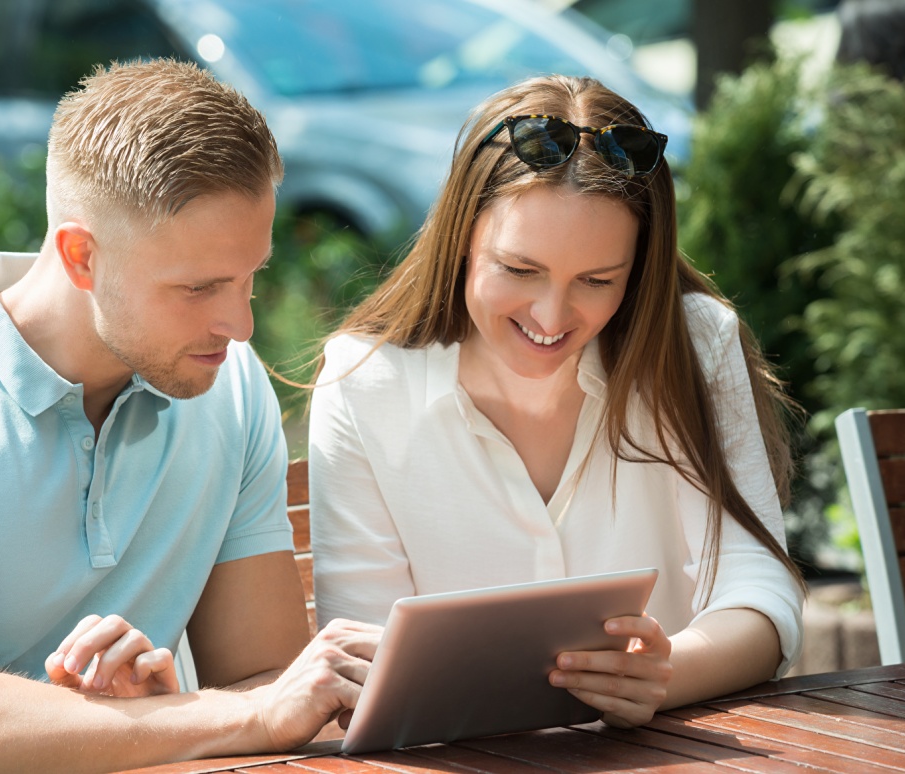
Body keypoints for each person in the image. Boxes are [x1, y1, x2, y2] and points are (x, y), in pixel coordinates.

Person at [0, 59, 378, 774]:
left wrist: (156, 713)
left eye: (253, 278)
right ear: (80, 255)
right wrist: (189, 719)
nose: (241, 325)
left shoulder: (226, 385)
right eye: (199, 287)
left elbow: (268, 687)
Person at [308, 74, 805, 729]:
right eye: (519, 270)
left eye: (597, 281)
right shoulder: (363, 383)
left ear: (639, 268)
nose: (551, 315)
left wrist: (664, 675)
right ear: (460, 237)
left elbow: (762, 592)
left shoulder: (693, 343)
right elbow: (365, 670)